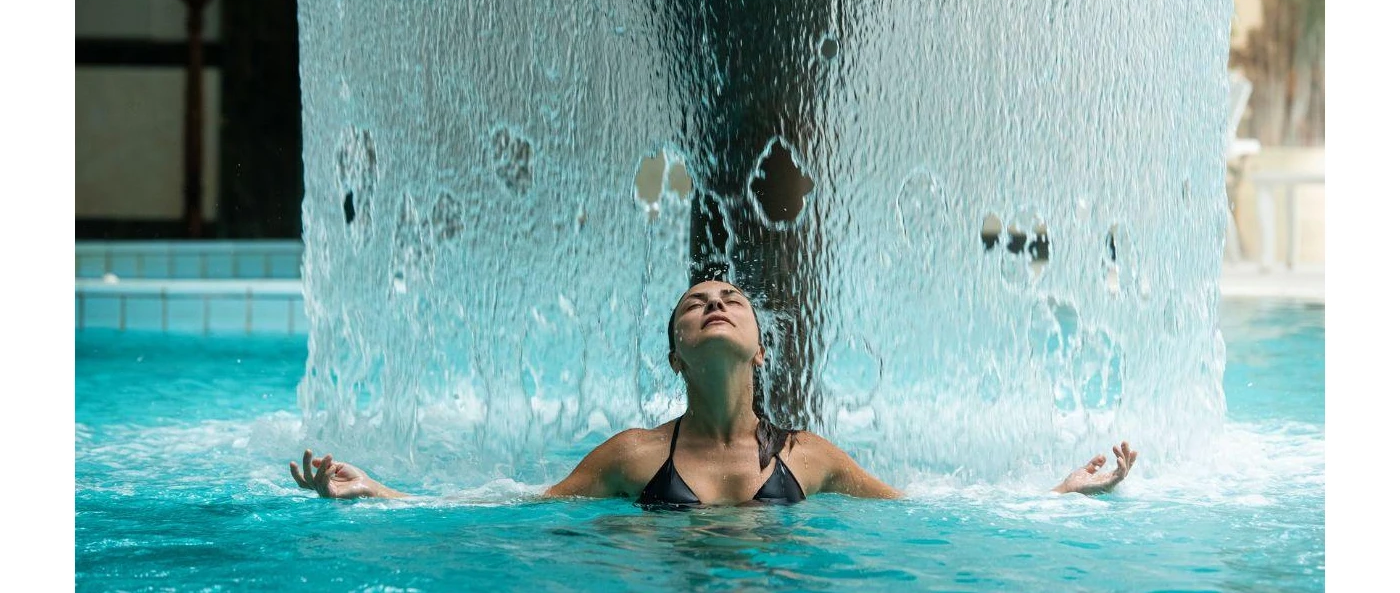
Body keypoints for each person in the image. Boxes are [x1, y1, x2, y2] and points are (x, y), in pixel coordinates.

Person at [290, 280, 1138, 506]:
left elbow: (933, 511)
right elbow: (510, 507)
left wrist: (1060, 494)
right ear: (678, 355)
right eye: (697, 305)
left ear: (761, 350)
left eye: (731, 300)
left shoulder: (810, 457)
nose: (716, 304)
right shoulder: (633, 455)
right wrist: (380, 493)